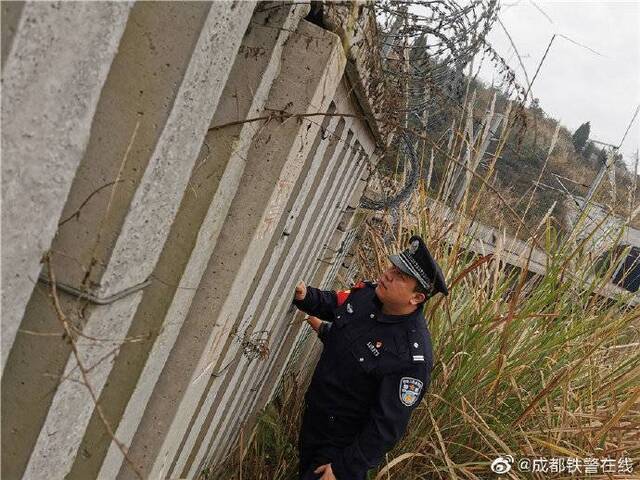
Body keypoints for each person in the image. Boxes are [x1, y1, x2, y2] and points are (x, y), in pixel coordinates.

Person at [292, 235, 448, 480]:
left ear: (416, 298)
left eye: (400, 276)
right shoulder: (368, 295)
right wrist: (305, 297)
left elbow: (387, 426)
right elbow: (337, 305)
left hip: (339, 451)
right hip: (315, 423)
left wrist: (344, 468)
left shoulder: (410, 357)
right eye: (393, 267)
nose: (388, 275)